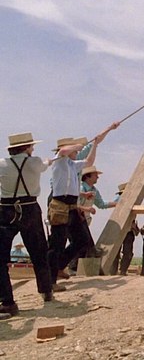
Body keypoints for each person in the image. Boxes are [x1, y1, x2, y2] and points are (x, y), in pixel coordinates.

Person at [1, 132, 59, 318]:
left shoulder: (1, 164)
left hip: (6, 210)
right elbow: (46, 164)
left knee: (0, 258)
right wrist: (54, 158)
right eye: (32, 146)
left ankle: (7, 302)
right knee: (39, 252)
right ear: (26, 148)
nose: (33, 149)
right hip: (30, 208)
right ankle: (46, 290)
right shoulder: (35, 162)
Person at [47, 136, 99, 290]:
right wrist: (78, 145)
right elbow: (63, 151)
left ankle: (59, 266)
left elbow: (89, 162)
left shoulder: (72, 165)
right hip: (60, 204)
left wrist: (95, 145)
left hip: (71, 206)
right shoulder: (59, 160)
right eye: (75, 151)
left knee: (82, 239)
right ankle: (50, 281)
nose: (77, 152)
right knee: (57, 242)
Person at [112, 182, 140, 276]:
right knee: (116, 252)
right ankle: (115, 271)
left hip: (129, 229)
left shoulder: (132, 201)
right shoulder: (118, 200)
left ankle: (122, 271)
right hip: (119, 228)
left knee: (127, 252)